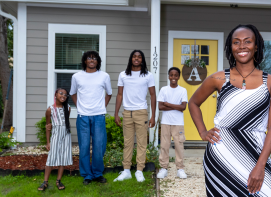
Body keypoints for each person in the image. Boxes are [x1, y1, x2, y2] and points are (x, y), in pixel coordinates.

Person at [188, 24, 271, 196]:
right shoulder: (218, 78)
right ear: (231, 47)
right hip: (221, 156)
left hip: (256, 153)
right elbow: (193, 103)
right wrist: (202, 131)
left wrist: (260, 166)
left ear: (256, 46)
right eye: (236, 42)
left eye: (248, 41)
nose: (242, 47)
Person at [70, 51, 112, 185]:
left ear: (98, 61)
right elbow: (72, 93)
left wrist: (102, 107)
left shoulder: (104, 76)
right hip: (83, 117)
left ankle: (97, 173)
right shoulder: (77, 77)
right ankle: (87, 175)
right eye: (89, 58)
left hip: (99, 116)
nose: (92, 60)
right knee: (84, 146)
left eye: (94, 58)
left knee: (99, 146)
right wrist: (80, 106)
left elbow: (109, 94)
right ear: (85, 61)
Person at [114, 50, 156, 182]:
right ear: (131, 59)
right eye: (134, 56)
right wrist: (116, 113)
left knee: (142, 143)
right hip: (127, 113)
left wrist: (153, 115)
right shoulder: (123, 75)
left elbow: (153, 95)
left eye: (139, 57)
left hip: (141, 112)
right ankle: (126, 171)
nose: (136, 59)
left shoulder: (148, 75)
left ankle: (139, 170)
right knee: (127, 143)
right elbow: (119, 95)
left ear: (142, 60)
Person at [38, 88, 72, 191]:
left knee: (63, 158)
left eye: (65, 95)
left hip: (66, 135)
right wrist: (48, 142)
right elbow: (48, 127)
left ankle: (58, 180)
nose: (63, 96)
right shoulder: (50, 109)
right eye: (61, 93)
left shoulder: (68, 108)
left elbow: (65, 122)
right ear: (55, 94)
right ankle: (45, 182)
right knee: (51, 158)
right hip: (56, 135)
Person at [157, 67, 188, 179]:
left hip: (178, 123)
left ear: (178, 77)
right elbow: (160, 106)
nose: (173, 77)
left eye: (176, 75)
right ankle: (163, 168)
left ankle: (180, 169)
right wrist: (176, 106)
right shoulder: (164, 89)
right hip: (166, 122)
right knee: (164, 145)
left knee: (179, 145)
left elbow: (183, 107)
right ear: (169, 76)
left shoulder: (183, 90)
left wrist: (168, 104)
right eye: (171, 75)